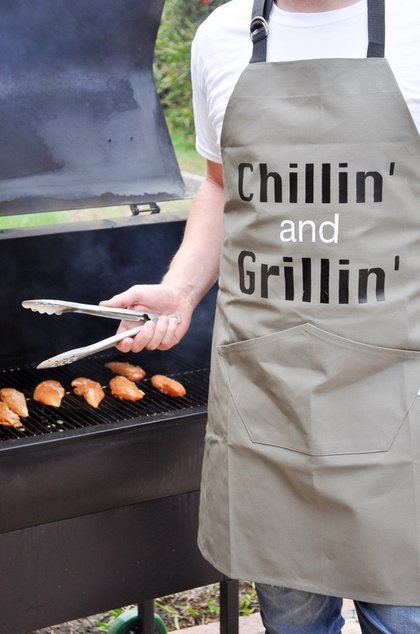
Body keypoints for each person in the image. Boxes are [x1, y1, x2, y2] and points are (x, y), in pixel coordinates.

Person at [101, 1, 420, 631]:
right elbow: (222, 184)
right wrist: (181, 289)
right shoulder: (221, 36)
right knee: (291, 618)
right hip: (269, 391)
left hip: (395, 390)